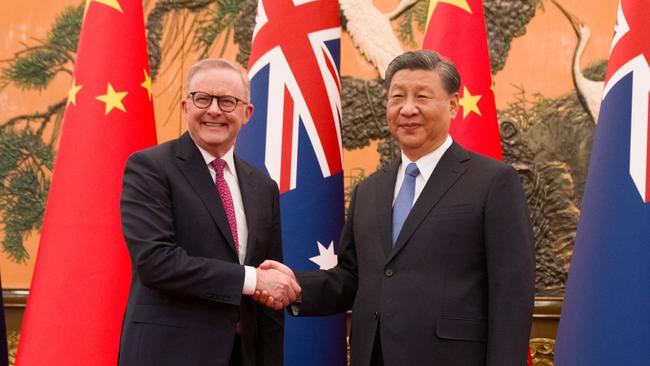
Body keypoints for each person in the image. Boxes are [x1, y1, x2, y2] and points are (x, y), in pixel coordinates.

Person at [257, 50, 535, 365]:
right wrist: (296, 286)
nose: (408, 109)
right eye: (397, 97)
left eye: (422, 97)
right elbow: (353, 278)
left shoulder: (493, 181)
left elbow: (511, 293)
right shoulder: (369, 190)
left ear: (453, 106)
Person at [118, 58, 300, 366]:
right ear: (186, 106)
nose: (214, 110)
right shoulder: (150, 168)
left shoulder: (262, 186)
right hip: (168, 354)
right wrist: (252, 280)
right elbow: (155, 262)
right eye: (203, 98)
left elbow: (267, 293)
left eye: (227, 102)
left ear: (247, 113)